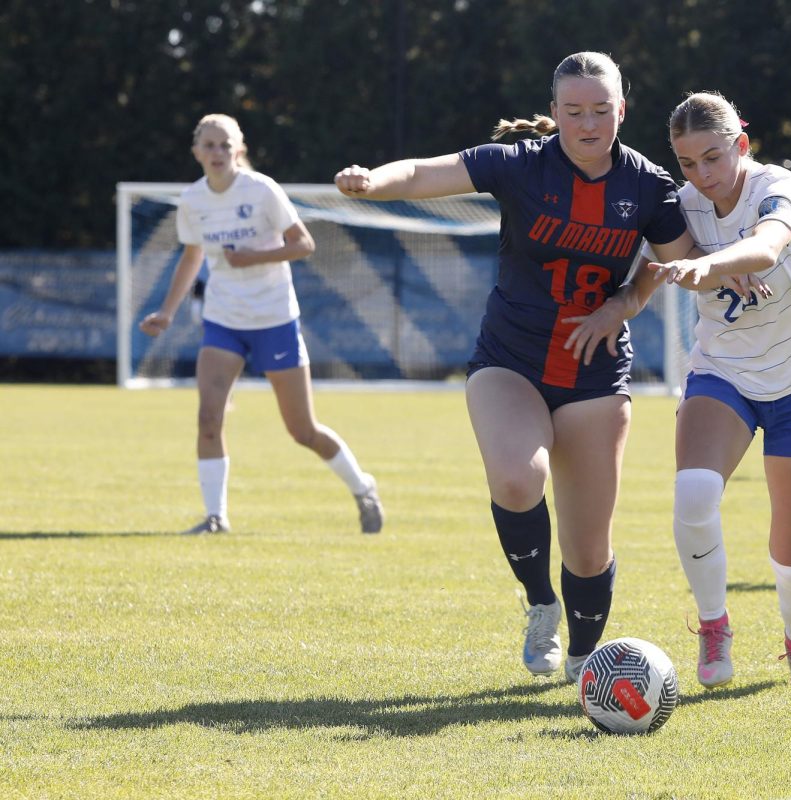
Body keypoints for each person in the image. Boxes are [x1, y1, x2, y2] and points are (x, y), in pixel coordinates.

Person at [334, 52, 696, 683]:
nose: (588, 123)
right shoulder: (520, 164)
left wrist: (623, 303)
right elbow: (426, 171)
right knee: (516, 479)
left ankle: (587, 660)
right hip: (512, 360)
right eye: (575, 111)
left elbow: (676, 262)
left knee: (589, 549)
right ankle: (539, 604)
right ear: (554, 113)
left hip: (595, 374)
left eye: (601, 110)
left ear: (622, 111)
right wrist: (373, 180)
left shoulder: (649, 187)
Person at [646, 92, 791, 688]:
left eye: (712, 157)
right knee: (694, 494)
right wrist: (616, 309)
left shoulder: (776, 185)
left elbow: (767, 245)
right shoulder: (682, 206)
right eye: (687, 164)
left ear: (741, 145)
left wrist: (709, 266)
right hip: (724, 372)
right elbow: (642, 269)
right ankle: (713, 625)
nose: (701, 175)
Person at [140, 114, 384, 536]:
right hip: (223, 321)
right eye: (209, 145)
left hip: (275, 319)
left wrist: (253, 256)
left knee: (302, 431)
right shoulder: (193, 200)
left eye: (224, 145)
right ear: (196, 151)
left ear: (238, 149)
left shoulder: (262, 190)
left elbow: (304, 244)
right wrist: (166, 311)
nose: (217, 153)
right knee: (208, 418)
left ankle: (362, 486)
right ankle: (216, 518)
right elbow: (192, 256)